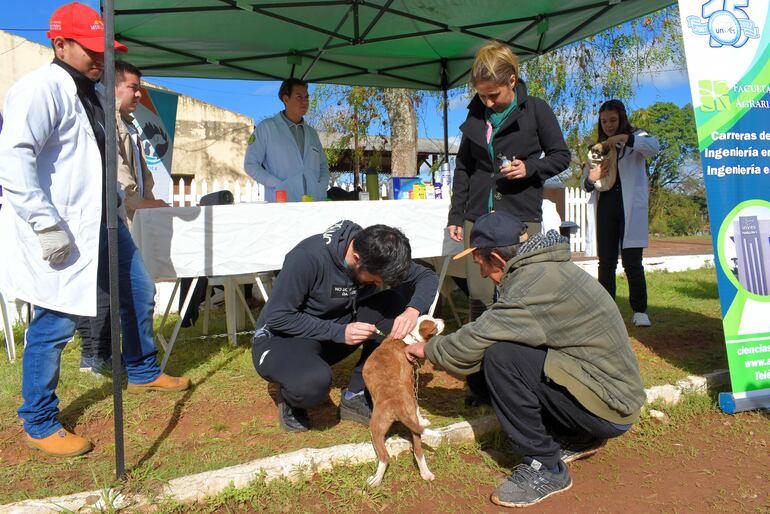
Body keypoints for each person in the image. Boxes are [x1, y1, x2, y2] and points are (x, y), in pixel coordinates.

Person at [0, 2, 190, 458]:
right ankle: (39, 419)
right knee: (56, 320)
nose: (100, 58)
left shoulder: (95, 92)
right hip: (62, 227)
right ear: (60, 44)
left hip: (103, 222)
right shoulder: (39, 90)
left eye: (106, 50)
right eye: (91, 50)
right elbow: (14, 159)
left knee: (139, 289)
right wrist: (45, 223)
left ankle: (142, 370)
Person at [405, 210, 646, 508]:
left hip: (609, 408)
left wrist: (427, 349)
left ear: (497, 257)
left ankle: (545, 467)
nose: (480, 273)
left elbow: (468, 347)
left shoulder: (531, 287)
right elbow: (491, 329)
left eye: (480, 262)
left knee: (500, 357)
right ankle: (578, 435)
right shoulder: (542, 270)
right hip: (611, 395)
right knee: (498, 348)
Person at [447, 41, 570, 406]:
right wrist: (457, 216)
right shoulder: (475, 115)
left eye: (493, 94)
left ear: (512, 80)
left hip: (519, 218)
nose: (487, 102)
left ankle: (525, 381)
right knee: (481, 300)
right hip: (477, 220)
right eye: (481, 95)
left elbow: (561, 155)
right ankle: (479, 383)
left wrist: (530, 168)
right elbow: (465, 169)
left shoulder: (536, 110)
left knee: (519, 300)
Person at [251, 220, 438, 432]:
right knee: (312, 385)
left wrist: (412, 311)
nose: (378, 284)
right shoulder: (307, 258)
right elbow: (279, 316)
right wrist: (338, 332)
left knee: (394, 302)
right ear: (357, 259)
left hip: (336, 329)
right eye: (376, 280)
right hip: (286, 336)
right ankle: (291, 397)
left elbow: (426, 276)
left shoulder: (377, 255)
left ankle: (355, 394)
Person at [77, 59, 168, 376]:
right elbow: (120, 183)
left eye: (140, 88)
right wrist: (144, 203)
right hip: (110, 218)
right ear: (114, 88)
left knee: (130, 291)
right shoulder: (108, 122)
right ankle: (94, 356)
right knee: (105, 289)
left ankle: (133, 364)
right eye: (133, 87)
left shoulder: (128, 123)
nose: (139, 95)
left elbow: (139, 179)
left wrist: (149, 200)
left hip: (126, 218)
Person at [583, 100, 660, 327]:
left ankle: (640, 310)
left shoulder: (637, 137)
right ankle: (607, 311)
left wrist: (626, 139)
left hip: (630, 208)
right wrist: (591, 178)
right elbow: (585, 182)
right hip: (606, 205)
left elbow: (654, 148)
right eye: (604, 121)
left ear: (622, 118)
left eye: (613, 120)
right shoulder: (598, 148)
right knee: (606, 262)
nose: (608, 125)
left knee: (632, 261)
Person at [244, 78, 329, 202]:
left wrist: (321, 187)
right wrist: (277, 184)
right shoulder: (267, 127)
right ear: (286, 99)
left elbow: (323, 166)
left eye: (306, 97)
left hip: (313, 204)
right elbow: (250, 165)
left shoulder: (312, 133)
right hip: (282, 202)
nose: (304, 101)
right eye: (299, 97)